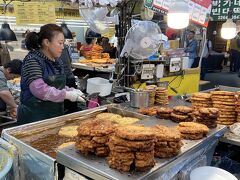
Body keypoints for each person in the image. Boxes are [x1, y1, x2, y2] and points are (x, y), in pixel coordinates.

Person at [17, 24, 85, 125]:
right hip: (34, 118)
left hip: (53, 115)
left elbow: (56, 86)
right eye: (60, 43)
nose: (63, 47)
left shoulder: (57, 62)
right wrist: (66, 95)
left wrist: (70, 90)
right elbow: (39, 89)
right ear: (47, 42)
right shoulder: (33, 60)